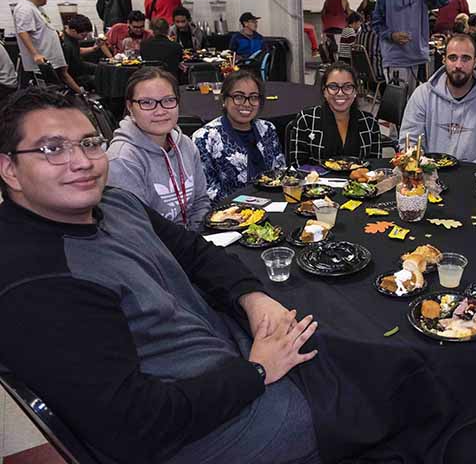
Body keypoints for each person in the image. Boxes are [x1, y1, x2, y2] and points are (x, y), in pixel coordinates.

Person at [0, 88, 320, 464]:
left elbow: (195, 251)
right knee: (348, 402)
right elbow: (134, 424)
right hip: (201, 425)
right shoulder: (37, 281)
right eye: (52, 149)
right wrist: (256, 372)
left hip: (223, 353)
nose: (81, 162)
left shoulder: (115, 202)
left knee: (329, 344)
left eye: (88, 143)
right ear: (9, 170)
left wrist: (252, 297)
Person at [107, 67, 209, 230]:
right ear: (130, 107)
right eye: (147, 102)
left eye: (168, 100)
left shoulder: (186, 145)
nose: (160, 111)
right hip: (153, 251)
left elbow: (200, 202)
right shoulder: (122, 161)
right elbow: (136, 230)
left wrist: (199, 239)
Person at [400, 34, 476, 166]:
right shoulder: (422, 95)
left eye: (466, 58)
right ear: (444, 60)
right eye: (453, 58)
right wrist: (428, 170)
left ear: (475, 62)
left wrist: (463, 175)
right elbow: (409, 143)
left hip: (472, 178)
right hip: (428, 177)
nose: (458, 65)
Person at [192, 70, 284, 202]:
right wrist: (250, 205)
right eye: (239, 97)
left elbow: (280, 172)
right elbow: (207, 191)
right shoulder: (205, 138)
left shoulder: (267, 129)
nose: (246, 104)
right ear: (224, 99)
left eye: (253, 97)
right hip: (228, 213)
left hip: (275, 205)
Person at [372, 0, 448, 92]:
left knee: (414, 103)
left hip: (418, 58)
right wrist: (391, 35)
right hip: (395, 59)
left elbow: (443, 0)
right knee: (398, 105)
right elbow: (376, 23)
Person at [288, 62, 382, 167]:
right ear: (324, 91)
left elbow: (375, 167)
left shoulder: (369, 123)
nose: (340, 93)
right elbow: (297, 166)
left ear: (355, 91)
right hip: (315, 182)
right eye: (333, 87)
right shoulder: (306, 119)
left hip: (359, 183)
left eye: (347, 87)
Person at [14, 0, 71, 88]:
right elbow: (23, 32)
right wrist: (35, 54)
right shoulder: (24, 8)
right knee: (48, 97)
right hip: (42, 65)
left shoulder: (36, 8)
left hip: (49, 62)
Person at [61, 14, 108, 92]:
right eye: (83, 35)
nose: (84, 37)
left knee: (103, 69)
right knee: (100, 80)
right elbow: (64, 74)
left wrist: (94, 48)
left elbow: (77, 51)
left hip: (79, 65)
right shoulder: (66, 45)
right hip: (74, 75)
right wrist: (80, 91)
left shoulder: (71, 37)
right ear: (73, 31)